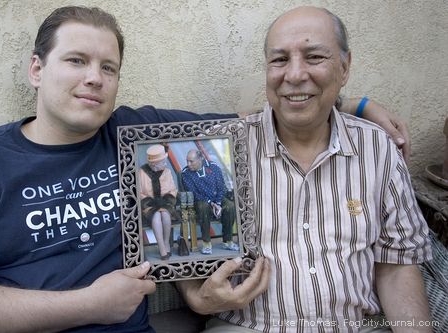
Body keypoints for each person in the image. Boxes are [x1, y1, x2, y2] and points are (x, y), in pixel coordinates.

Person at [0, 5, 415, 332]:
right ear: (36, 69)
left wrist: (352, 103)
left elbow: (269, 115)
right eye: (76, 61)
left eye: (108, 68)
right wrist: (88, 304)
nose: (94, 77)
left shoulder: (136, 133)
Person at [176, 6, 433, 333]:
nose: (294, 74)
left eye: (313, 57)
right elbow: (178, 253)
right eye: (280, 60)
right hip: (248, 327)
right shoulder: (222, 148)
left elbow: (396, 267)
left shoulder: (378, 149)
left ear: (345, 67)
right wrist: (196, 297)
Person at [181, 149, 237, 254]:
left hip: (217, 198)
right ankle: (207, 243)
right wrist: (211, 203)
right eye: (187, 161)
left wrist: (218, 203)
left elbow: (221, 187)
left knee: (229, 206)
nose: (188, 164)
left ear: (200, 159)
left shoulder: (213, 167)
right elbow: (193, 194)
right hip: (201, 200)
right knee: (203, 207)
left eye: (191, 161)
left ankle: (228, 241)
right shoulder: (186, 173)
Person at [139, 144, 180, 260]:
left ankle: (166, 243)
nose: (165, 164)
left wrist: (166, 200)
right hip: (149, 205)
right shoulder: (141, 172)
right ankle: (161, 247)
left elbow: (173, 189)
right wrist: (148, 202)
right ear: (155, 165)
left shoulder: (167, 171)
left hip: (165, 203)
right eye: (163, 162)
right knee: (156, 215)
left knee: (165, 215)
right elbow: (139, 192)